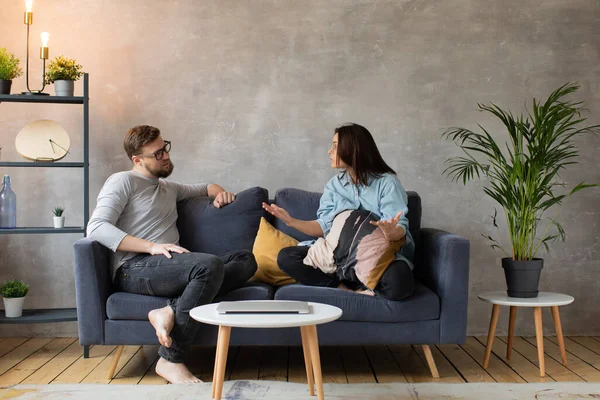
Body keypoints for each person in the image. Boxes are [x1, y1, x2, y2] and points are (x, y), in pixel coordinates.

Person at [87, 125, 257, 384]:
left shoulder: (169, 188)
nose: (165, 156)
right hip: (134, 267)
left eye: (164, 148)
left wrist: (220, 192)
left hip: (168, 266)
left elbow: (206, 186)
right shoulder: (122, 181)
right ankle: (170, 358)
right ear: (137, 160)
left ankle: (169, 310)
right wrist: (152, 246)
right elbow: (96, 227)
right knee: (208, 265)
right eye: (157, 154)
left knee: (246, 260)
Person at [263, 123, 415, 301]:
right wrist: (291, 221)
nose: (329, 151)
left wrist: (391, 231)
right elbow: (323, 226)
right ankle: (344, 287)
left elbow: (398, 225)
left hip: (375, 256)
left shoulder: (387, 183)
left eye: (335, 146)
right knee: (287, 257)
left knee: (399, 282)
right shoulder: (334, 186)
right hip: (338, 258)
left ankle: (364, 277)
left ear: (353, 149)